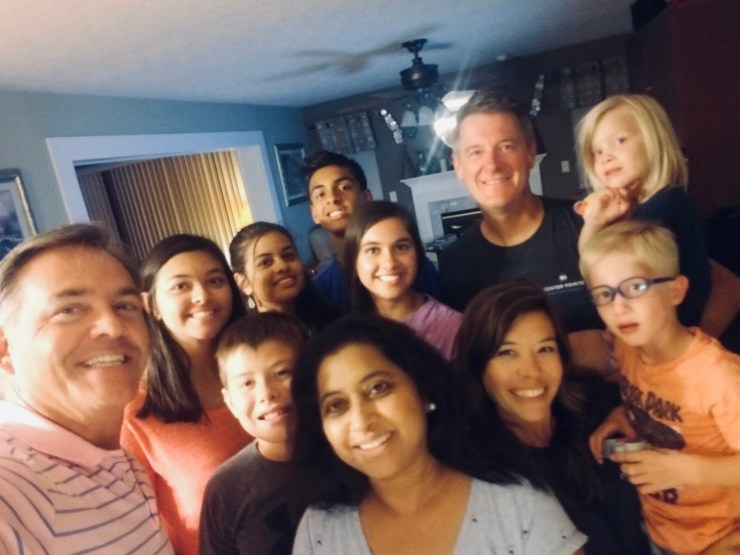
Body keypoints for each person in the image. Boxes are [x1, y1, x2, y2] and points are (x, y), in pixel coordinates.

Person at [291, 315, 587, 554]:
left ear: (424, 392)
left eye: (378, 388)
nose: (361, 420)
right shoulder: (320, 530)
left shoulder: (518, 505)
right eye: (336, 405)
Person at [0, 224, 173, 553]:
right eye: (68, 310)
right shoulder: (11, 487)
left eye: (124, 305)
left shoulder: (121, 464)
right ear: (5, 349)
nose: (112, 326)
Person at [455, 280, 649, 555]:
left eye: (545, 349)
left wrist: (637, 415)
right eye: (507, 353)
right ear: (478, 364)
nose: (531, 371)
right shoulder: (481, 470)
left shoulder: (600, 406)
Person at [581, 220, 740, 555]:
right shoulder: (627, 349)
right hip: (658, 531)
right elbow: (660, 402)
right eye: (605, 294)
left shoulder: (718, 375)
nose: (619, 307)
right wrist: (624, 413)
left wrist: (687, 470)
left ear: (675, 291)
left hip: (720, 538)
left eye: (635, 287)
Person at [437, 89, 606, 373]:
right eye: (476, 152)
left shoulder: (586, 224)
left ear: (529, 153)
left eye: (506, 147)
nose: (492, 165)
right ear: (459, 167)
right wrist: (577, 347)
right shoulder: (454, 264)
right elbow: (473, 362)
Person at [120, 234, 252, 555]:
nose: (202, 296)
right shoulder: (137, 409)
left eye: (215, 281)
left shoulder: (262, 373)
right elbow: (136, 525)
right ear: (151, 305)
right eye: (181, 286)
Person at [575, 93, 714, 328]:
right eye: (597, 151)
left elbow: (597, 266)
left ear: (654, 141)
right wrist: (595, 223)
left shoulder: (663, 208)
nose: (606, 157)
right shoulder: (646, 207)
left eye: (620, 141)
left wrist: (595, 225)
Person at [200, 312, 313, 555]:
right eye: (247, 383)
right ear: (230, 402)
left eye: (282, 373)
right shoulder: (227, 488)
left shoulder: (348, 456)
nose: (266, 393)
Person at [303, 150, 444, 314]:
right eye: (320, 194)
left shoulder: (412, 269)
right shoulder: (320, 289)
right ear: (314, 213)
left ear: (367, 197)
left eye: (344, 187)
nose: (332, 198)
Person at [344, 200, 461, 360]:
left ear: (417, 254)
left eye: (401, 247)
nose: (390, 262)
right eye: (373, 250)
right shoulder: (348, 334)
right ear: (354, 263)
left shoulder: (453, 327)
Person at [229, 221, 336, 333]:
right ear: (244, 283)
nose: (282, 266)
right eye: (265, 262)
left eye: (288, 256)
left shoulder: (325, 319)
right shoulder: (248, 340)